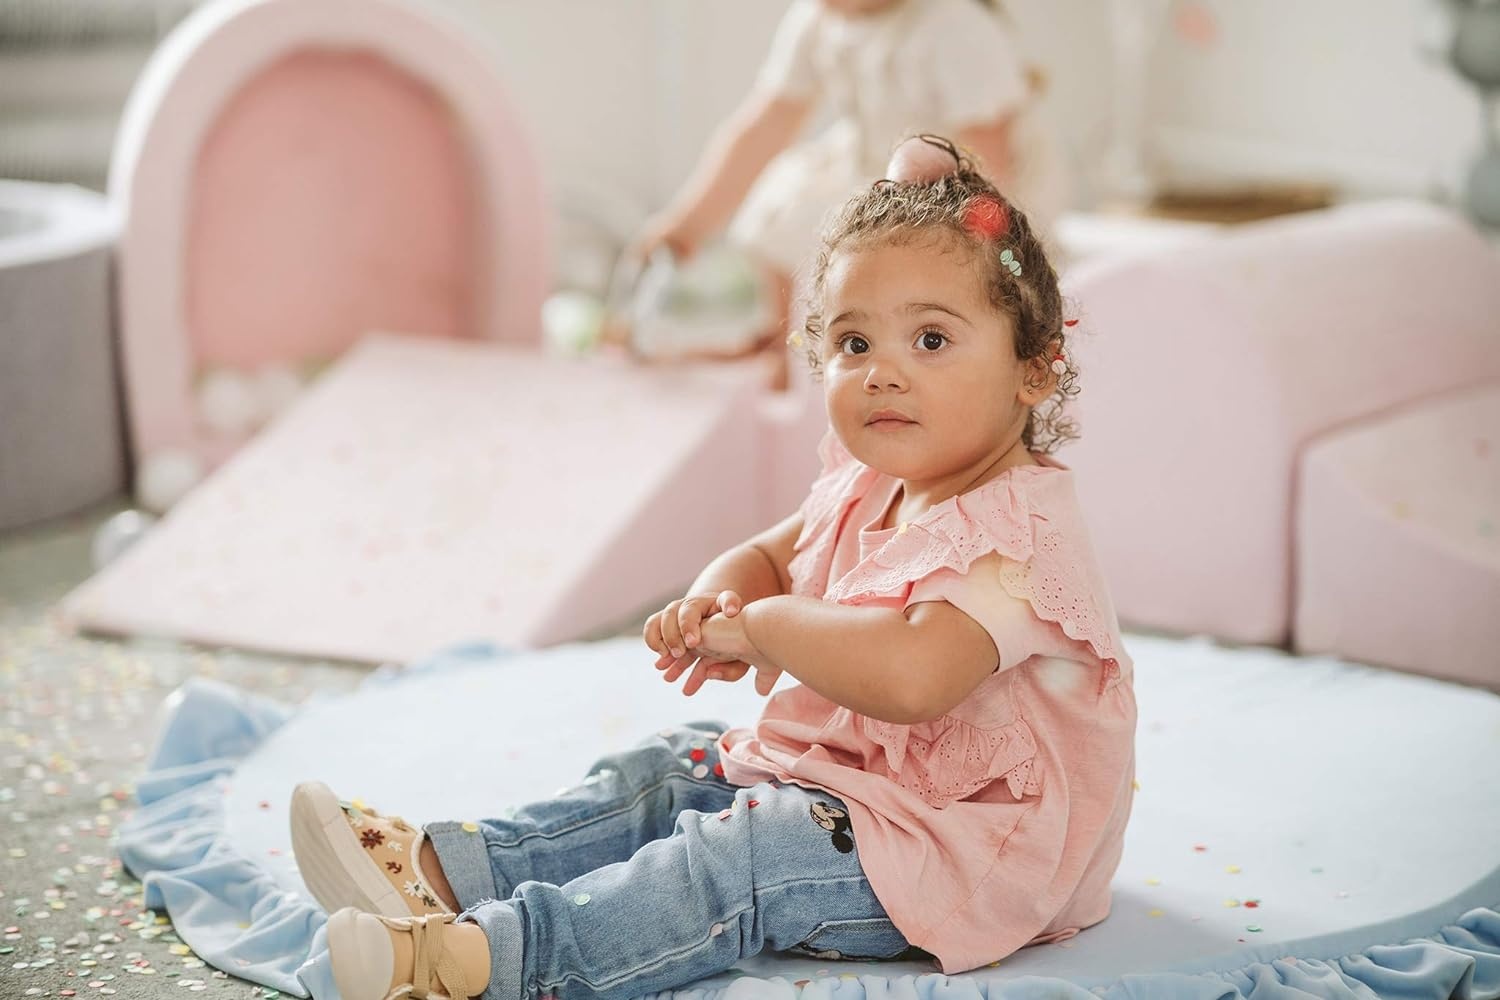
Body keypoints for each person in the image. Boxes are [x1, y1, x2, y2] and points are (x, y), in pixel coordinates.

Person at [289, 136, 1132, 1000]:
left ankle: (484, 963)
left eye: (929, 339)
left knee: (749, 852)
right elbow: (777, 553)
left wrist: (767, 630)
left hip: (967, 852)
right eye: (852, 343)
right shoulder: (875, 479)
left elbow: (917, 674)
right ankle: (443, 869)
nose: (882, 374)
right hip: (853, 785)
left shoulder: (1017, 537)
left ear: (1034, 369)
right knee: (671, 773)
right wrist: (719, 600)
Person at [631, 0, 1070, 376]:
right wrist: (689, 222)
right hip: (868, 164)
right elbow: (765, 124)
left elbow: (989, 154)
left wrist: (976, 235)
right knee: (785, 214)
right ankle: (788, 347)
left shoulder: (954, 25)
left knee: (910, 274)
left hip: (953, 180)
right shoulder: (820, 18)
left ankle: (879, 359)